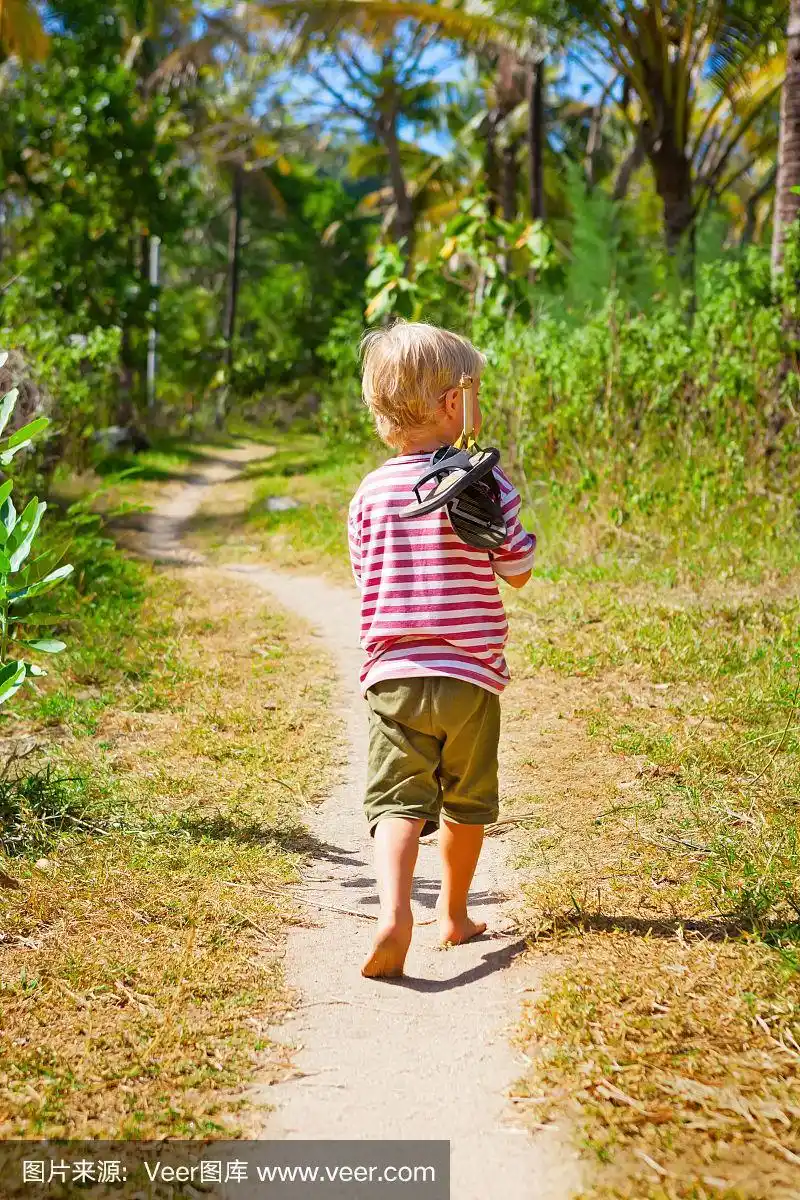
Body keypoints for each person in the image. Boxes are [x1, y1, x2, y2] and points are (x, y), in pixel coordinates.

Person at [348, 320, 536, 979]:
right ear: (456, 405)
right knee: (467, 801)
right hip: (470, 676)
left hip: (394, 676)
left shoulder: (370, 493)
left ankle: (395, 911)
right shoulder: (484, 482)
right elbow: (516, 569)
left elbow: (364, 575)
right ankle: (453, 913)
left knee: (396, 802)